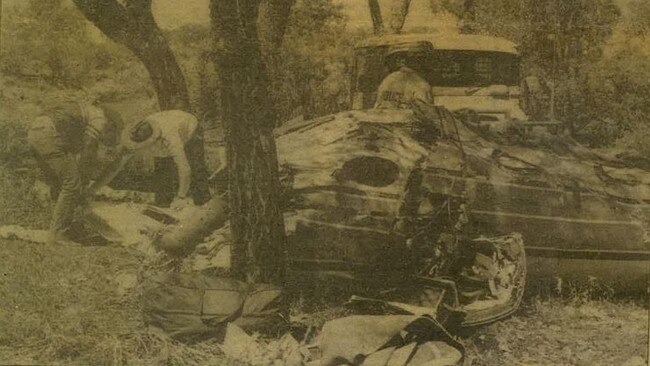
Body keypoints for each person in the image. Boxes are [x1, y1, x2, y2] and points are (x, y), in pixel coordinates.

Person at [27, 100, 124, 244]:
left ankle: (62, 229)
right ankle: (58, 234)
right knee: (72, 185)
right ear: (111, 125)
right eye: (114, 132)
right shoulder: (100, 119)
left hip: (34, 132)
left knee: (59, 184)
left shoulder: (85, 113)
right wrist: (82, 181)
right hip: (49, 132)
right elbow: (88, 149)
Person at [85, 110, 211, 210]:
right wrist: (93, 189)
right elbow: (115, 167)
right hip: (165, 133)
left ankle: (204, 205)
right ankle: (163, 206)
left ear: (153, 141)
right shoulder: (134, 136)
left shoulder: (170, 137)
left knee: (196, 168)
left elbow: (185, 169)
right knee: (162, 173)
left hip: (189, 128)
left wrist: (181, 197)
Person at [374, 45, 433, 109]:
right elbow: (428, 114)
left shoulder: (387, 80)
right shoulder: (422, 85)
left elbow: (378, 107)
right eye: (423, 58)